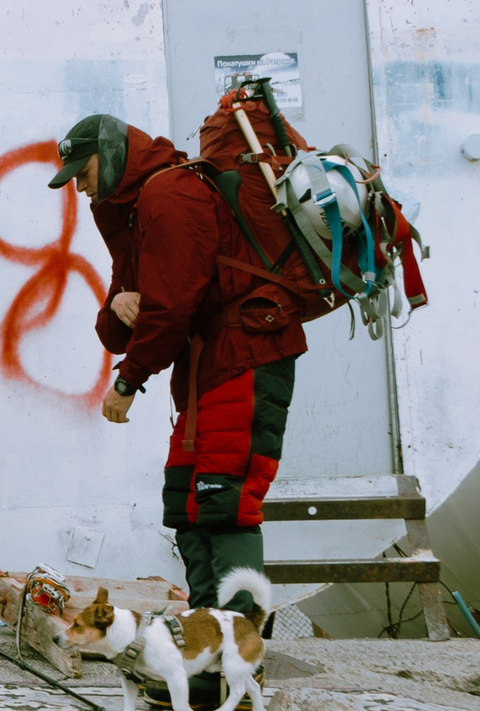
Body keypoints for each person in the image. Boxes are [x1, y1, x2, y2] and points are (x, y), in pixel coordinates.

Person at [52, 112, 303, 618]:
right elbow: (121, 319)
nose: (79, 186)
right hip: (207, 369)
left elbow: (169, 310)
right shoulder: (134, 208)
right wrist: (119, 306)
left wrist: (128, 380)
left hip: (244, 358)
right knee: (188, 503)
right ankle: (205, 642)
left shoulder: (170, 197)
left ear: (115, 152)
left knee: (222, 502)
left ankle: (235, 655)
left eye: (84, 170)